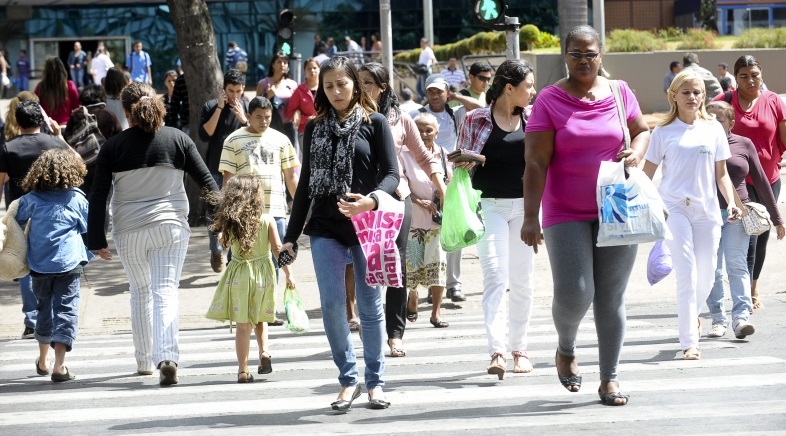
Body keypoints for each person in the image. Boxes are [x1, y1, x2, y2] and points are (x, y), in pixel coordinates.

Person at [523, 25, 650, 406]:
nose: (583, 60)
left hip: (616, 206)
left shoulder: (619, 92)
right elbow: (535, 162)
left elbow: (642, 130)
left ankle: (609, 378)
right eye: (576, 54)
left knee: (611, 296)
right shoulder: (549, 99)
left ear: (601, 55)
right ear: (565, 56)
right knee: (576, 291)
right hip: (565, 210)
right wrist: (530, 216)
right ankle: (566, 347)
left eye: (590, 53)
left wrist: (637, 152)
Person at [282, 56, 397, 411]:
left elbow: (392, 175)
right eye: (329, 86)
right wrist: (290, 236)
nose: (335, 92)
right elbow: (304, 186)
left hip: (366, 225)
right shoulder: (314, 127)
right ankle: (348, 380)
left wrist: (371, 201)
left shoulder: (375, 123)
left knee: (370, 305)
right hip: (325, 226)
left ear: (355, 85)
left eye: (342, 84)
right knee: (332, 306)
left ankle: (375, 382)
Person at [87, 82, 218, 385]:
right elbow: (208, 184)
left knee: (140, 292)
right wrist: (224, 223)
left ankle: (144, 361)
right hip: (170, 227)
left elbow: (98, 195)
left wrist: (96, 238)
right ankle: (167, 357)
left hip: (129, 231)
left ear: (125, 112)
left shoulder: (113, 147)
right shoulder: (178, 139)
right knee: (165, 290)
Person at [643, 70, 741, 361]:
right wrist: (646, 205)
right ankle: (689, 341)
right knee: (686, 274)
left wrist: (731, 202)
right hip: (674, 209)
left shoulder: (713, 130)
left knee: (707, 275)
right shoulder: (662, 132)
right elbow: (647, 175)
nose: (692, 97)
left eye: (697, 92)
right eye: (685, 92)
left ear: (704, 96)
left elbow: (721, 174)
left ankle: (692, 317)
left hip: (707, 210)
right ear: (674, 96)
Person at [453, 59, 539, 378]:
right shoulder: (476, 118)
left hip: (526, 209)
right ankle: (497, 351)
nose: (533, 91)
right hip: (489, 206)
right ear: (509, 88)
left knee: (522, 280)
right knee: (495, 276)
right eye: (528, 86)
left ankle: (520, 349)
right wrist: (469, 160)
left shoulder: (533, 118)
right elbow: (460, 161)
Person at [359, 62, 446, 357]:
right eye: (359, 82)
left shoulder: (401, 119)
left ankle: (395, 334)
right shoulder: (350, 117)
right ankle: (369, 322)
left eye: (368, 83)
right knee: (366, 263)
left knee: (397, 264)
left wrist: (441, 186)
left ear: (383, 87)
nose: (362, 88)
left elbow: (424, 156)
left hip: (397, 197)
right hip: (362, 200)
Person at [711, 55, 786, 311]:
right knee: (746, 238)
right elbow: (705, 120)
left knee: (760, 235)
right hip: (736, 181)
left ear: (761, 75)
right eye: (744, 76)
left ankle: (753, 286)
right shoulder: (725, 100)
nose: (750, 80)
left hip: (768, 178)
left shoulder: (773, 100)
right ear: (735, 78)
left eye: (755, 75)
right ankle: (744, 294)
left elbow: (783, 136)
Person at [704, 101, 784, 340]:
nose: (713, 123)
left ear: (731, 123)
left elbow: (761, 180)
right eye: (709, 118)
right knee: (712, 268)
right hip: (706, 215)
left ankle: (741, 319)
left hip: (736, 213)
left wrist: (777, 218)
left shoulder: (743, 144)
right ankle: (718, 319)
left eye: (719, 119)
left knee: (737, 265)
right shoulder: (698, 145)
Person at [17, 148, 90, 382]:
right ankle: (60, 365)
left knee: (43, 308)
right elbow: (87, 226)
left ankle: (42, 360)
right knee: (66, 309)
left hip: (39, 264)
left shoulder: (30, 199)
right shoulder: (76, 198)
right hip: (69, 263)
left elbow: (16, 223)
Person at [1, 100, 68, 340]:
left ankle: (32, 320)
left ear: (17, 121)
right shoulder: (54, 143)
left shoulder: (8, 148)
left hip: (20, 212)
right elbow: (77, 165)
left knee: (23, 264)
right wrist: (59, 136)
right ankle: (51, 317)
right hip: (51, 211)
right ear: (41, 120)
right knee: (50, 262)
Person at [219, 96, 300, 298]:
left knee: (276, 258)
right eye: (258, 117)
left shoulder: (281, 140)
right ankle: (241, 304)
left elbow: (291, 178)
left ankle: (268, 306)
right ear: (248, 116)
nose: (264, 121)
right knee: (241, 259)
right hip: (244, 213)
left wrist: (302, 210)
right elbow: (228, 181)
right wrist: (225, 218)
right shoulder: (232, 141)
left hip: (276, 210)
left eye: (267, 117)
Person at [205, 175, 281, 382]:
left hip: (240, 275)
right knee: (260, 317)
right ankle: (264, 352)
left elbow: (224, 245)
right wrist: (289, 273)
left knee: (243, 325)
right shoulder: (267, 220)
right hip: (263, 276)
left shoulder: (232, 224)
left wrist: (221, 233)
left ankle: (242, 370)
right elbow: (277, 249)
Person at [410, 74, 473, 304]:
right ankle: (432, 286)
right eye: (431, 91)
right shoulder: (416, 114)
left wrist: (456, 96)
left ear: (446, 92)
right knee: (428, 236)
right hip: (422, 177)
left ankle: (453, 285)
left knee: (453, 232)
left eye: (439, 91)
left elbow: (479, 107)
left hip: (450, 176)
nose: (435, 95)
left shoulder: (454, 113)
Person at [404, 113, 451, 336]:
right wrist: (417, 200)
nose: (424, 134)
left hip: (437, 221)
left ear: (436, 133)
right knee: (413, 266)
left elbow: (450, 182)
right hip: (413, 220)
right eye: (419, 130)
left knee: (438, 265)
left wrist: (443, 195)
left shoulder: (443, 155)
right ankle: (413, 296)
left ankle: (436, 312)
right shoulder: (404, 154)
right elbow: (400, 184)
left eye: (428, 130)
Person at [199, 69, 250, 273]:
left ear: (243, 89)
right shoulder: (211, 106)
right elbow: (205, 134)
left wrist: (244, 119)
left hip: (240, 170)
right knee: (215, 213)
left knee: (238, 213)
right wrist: (220, 108)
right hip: (215, 168)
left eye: (238, 91)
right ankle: (216, 249)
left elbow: (255, 134)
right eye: (231, 91)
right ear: (223, 90)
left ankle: (232, 257)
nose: (235, 96)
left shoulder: (246, 107)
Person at [63, 84, 123, 196]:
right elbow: (119, 140)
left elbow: (67, 139)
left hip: (82, 166)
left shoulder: (75, 116)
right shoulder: (108, 115)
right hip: (104, 166)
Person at [256, 52, 299, 154]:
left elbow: (298, 104)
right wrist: (267, 96)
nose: (282, 65)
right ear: (273, 65)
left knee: (288, 155)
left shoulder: (292, 84)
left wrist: (298, 112)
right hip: (270, 126)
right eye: (279, 62)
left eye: (285, 62)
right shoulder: (264, 83)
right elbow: (255, 106)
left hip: (288, 126)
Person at [285, 57, 320, 160]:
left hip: (325, 130)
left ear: (319, 69)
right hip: (305, 131)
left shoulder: (325, 87)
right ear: (304, 71)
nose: (312, 71)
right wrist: (306, 119)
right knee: (309, 161)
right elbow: (289, 113)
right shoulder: (299, 90)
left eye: (315, 68)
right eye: (309, 68)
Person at [34, 57, 80, 126]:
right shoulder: (70, 85)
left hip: (47, 127)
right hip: (66, 127)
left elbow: (35, 107)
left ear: (46, 72)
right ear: (62, 70)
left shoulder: (40, 87)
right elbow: (77, 108)